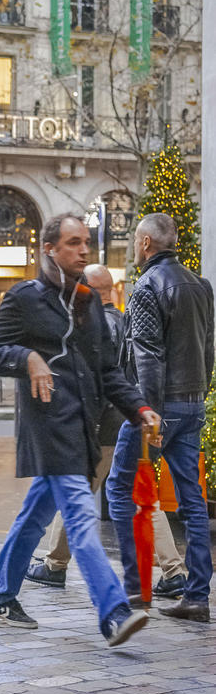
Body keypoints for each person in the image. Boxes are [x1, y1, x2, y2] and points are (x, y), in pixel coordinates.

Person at [0, 213, 161, 647]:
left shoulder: (88, 302)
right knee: (80, 518)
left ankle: (0, 591)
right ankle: (113, 613)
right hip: (47, 428)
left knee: (36, 515)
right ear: (50, 250)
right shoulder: (24, 299)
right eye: (73, 243)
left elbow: (108, 372)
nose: (82, 250)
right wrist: (27, 359)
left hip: (82, 428)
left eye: (85, 243)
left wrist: (140, 409)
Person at [25, 263, 185, 601]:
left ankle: (54, 565)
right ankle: (173, 570)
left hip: (98, 428)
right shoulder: (128, 321)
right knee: (140, 497)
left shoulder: (93, 324)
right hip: (126, 423)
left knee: (74, 495)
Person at [106, 213, 214, 622]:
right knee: (192, 502)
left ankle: (136, 590)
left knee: (119, 489)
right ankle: (197, 597)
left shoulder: (147, 287)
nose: (135, 248)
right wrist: (197, 397)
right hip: (191, 404)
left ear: (147, 242)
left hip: (158, 407)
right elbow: (209, 351)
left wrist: (146, 414)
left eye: (136, 241)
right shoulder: (200, 286)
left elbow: (147, 356)